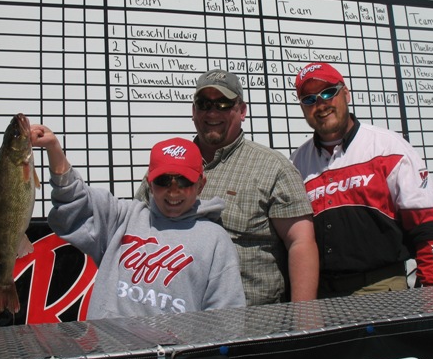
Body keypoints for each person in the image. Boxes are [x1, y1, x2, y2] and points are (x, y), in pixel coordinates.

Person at [136, 69, 319, 306]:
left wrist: (304, 316)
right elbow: (137, 230)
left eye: (223, 104)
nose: (212, 112)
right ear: (194, 111)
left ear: (242, 111)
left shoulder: (274, 168)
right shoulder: (167, 165)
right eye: (204, 104)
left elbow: (300, 242)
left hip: (251, 318)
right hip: (173, 313)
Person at [30, 127, 246, 319]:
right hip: (109, 346)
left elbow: (226, 317)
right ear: (150, 184)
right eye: (163, 181)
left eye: (183, 181)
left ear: (201, 184)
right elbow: (74, 200)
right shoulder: (121, 218)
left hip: (177, 349)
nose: (173, 191)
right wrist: (54, 148)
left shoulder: (216, 239)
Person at [290, 62, 433, 298]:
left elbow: (427, 225)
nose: (321, 104)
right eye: (310, 99)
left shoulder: (389, 147)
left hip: (381, 289)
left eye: (328, 92)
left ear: (346, 93)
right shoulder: (296, 163)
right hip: (321, 294)